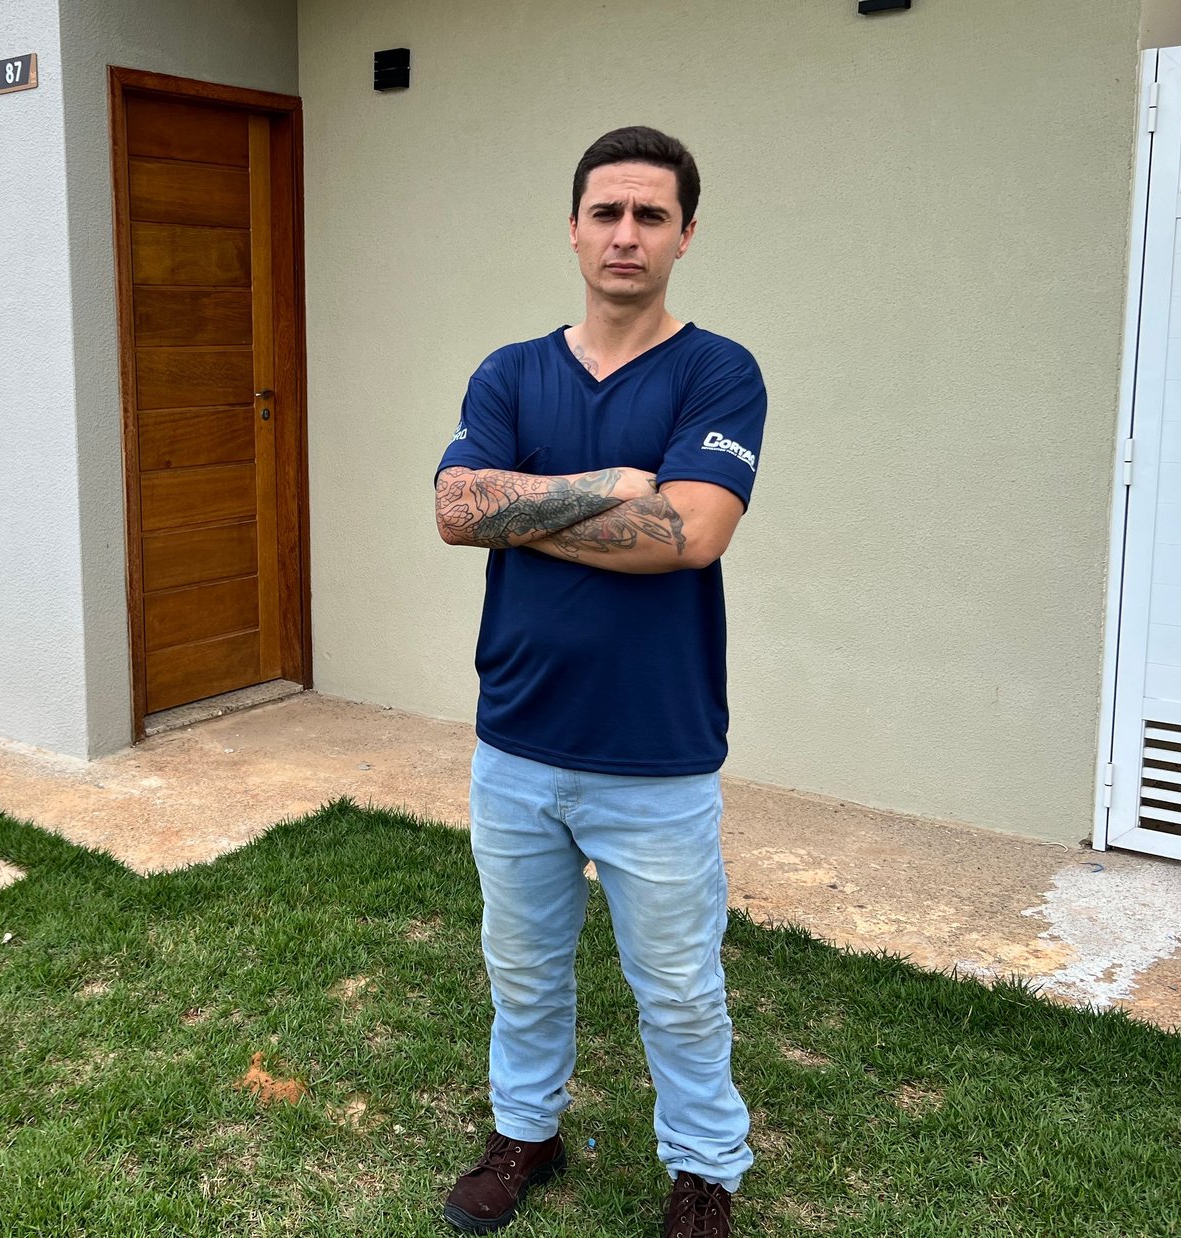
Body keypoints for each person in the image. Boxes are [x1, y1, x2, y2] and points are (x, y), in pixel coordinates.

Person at [431, 126, 765, 1238]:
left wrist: (523, 510)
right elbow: (451, 511)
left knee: (677, 986)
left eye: (651, 215)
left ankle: (705, 1168)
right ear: (574, 227)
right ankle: (527, 1131)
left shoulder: (718, 372)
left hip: (655, 749)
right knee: (521, 967)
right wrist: (612, 486)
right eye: (607, 212)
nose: (627, 233)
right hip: (516, 739)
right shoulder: (510, 370)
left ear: (685, 235)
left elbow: (688, 534)